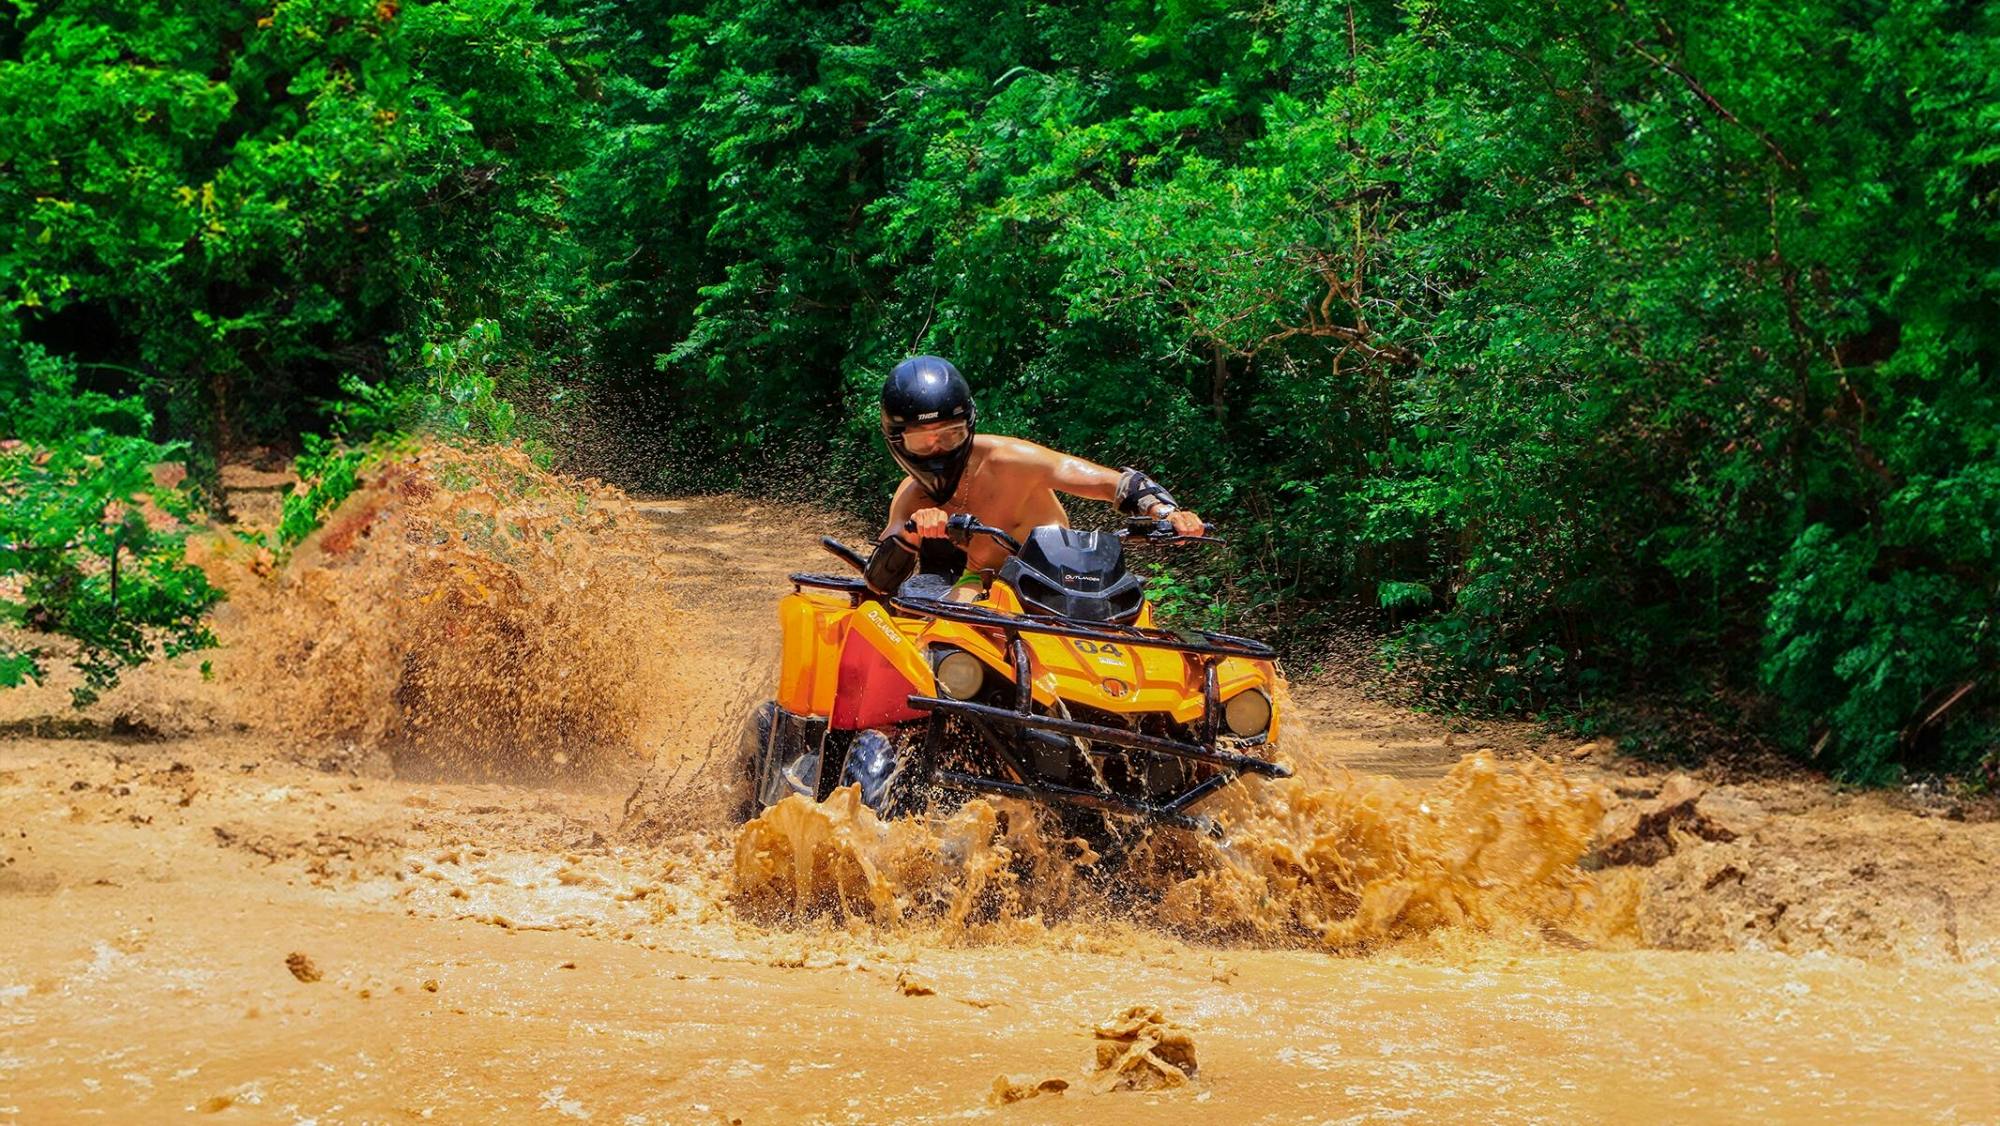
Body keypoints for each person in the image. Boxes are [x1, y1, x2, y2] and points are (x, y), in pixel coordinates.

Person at [862, 355, 1205, 600]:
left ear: (968, 426)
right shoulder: (911, 498)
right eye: (923, 440)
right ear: (897, 440)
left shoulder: (1013, 460)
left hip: (1070, 583)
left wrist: (1167, 514)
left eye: (950, 434)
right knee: (939, 642)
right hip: (984, 588)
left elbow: (1112, 483)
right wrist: (912, 535)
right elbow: (879, 582)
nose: (937, 449)